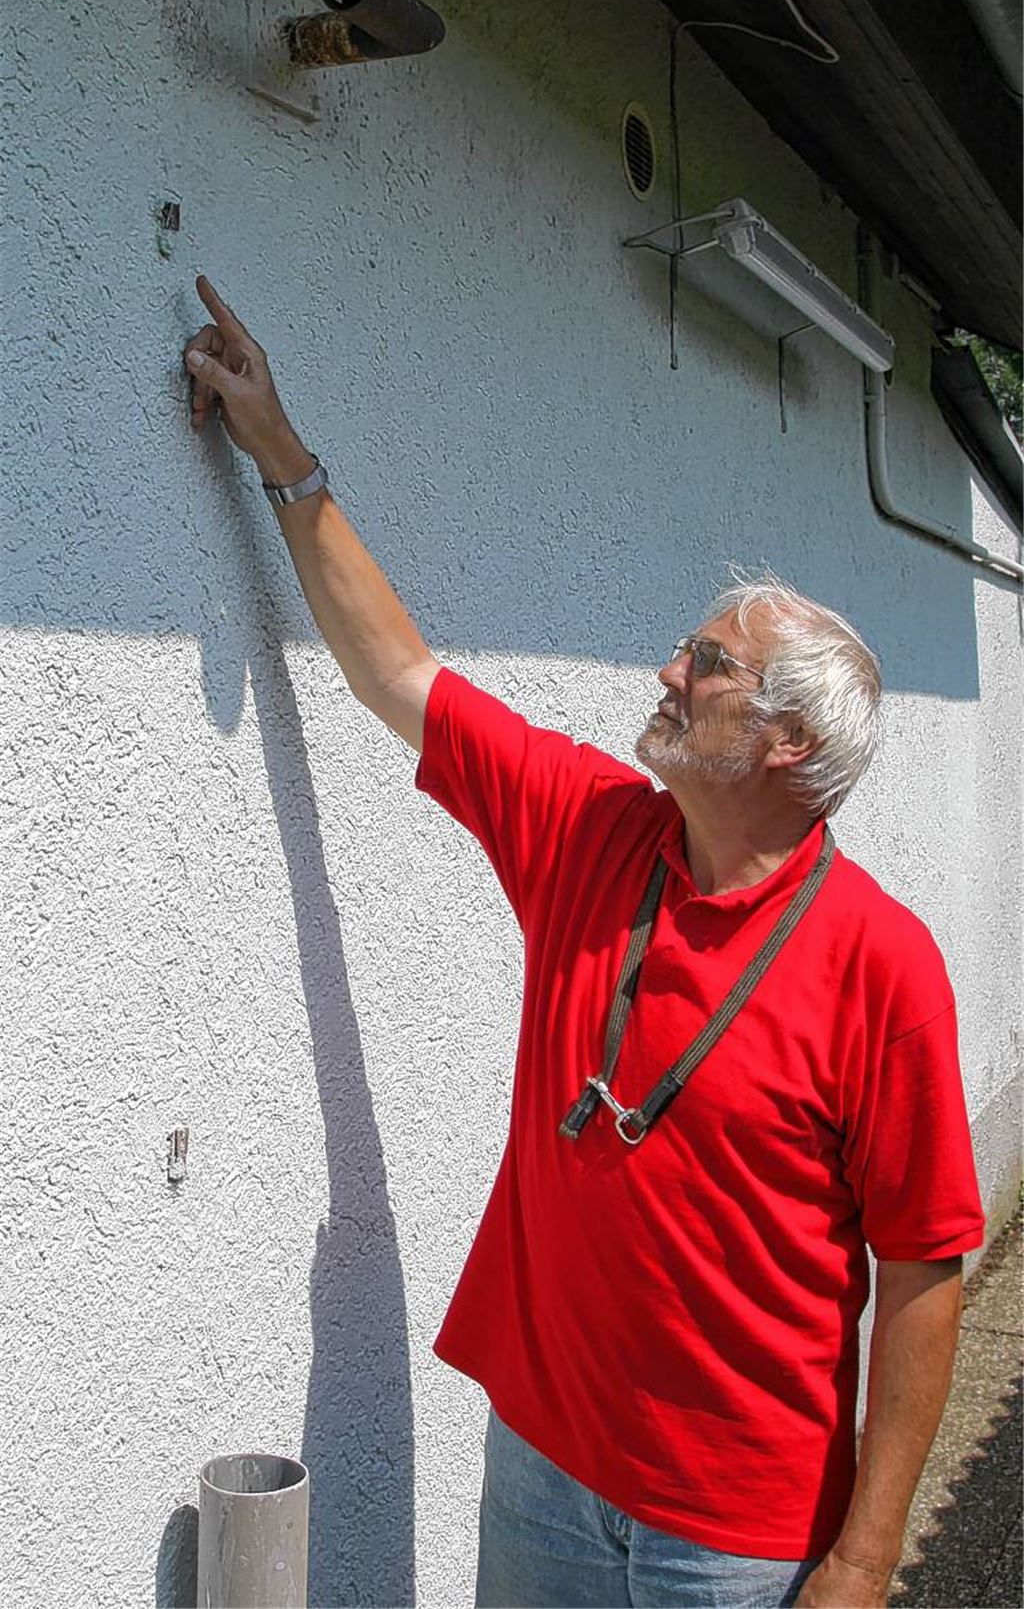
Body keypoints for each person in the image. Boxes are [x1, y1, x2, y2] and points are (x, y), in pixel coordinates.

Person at [184, 275, 983, 1609]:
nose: (669, 672)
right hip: (542, 1475)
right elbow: (401, 673)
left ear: (787, 744)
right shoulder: (592, 827)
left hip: (736, 1536)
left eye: (707, 663)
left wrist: (862, 1555)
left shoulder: (879, 963)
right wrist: (280, 448)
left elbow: (921, 1274)